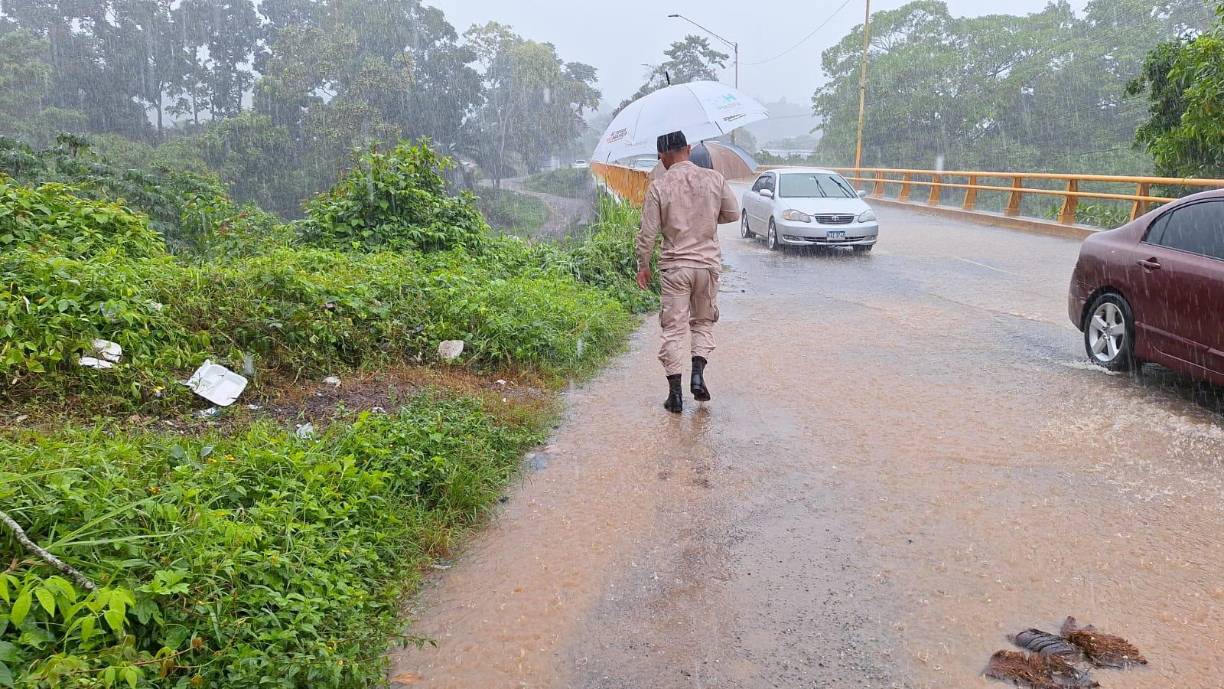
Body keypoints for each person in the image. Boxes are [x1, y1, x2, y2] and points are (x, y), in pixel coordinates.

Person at [635, 130, 740, 413]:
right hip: (707, 266)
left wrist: (642, 265)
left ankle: (675, 396)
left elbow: (648, 233)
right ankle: (697, 374)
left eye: (660, 157)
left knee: (673, 329)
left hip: (675, 268)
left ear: (663, 156)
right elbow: (733, 214)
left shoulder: (659, 186)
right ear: (689, 148)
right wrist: (706, 215)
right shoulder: (714, 178)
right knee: (703, 322)